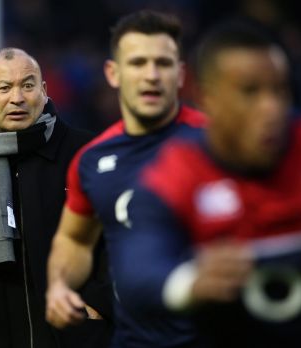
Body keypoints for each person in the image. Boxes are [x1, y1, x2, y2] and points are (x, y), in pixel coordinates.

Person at [101, 20, 301, 348]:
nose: (272, 108)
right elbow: (136, 268)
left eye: (279, 90)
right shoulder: (177, 175)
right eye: (250, 92)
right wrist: (188, 281)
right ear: (206, 98)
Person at [0, 47, 114, 348]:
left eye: (27, 85)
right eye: (4, 88)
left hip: (76, 336)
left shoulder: (85, 155)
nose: (17, 98)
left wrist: (97, 306)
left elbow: (113, 238)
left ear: (43, 91)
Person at [45, 10, 206, 347]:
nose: (151, 75)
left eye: (163, 63)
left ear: (180, 74)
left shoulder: (216, 143)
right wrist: (59, 286)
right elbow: (74, 240)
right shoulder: (91, 161)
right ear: (113, 73)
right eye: (137, 63)